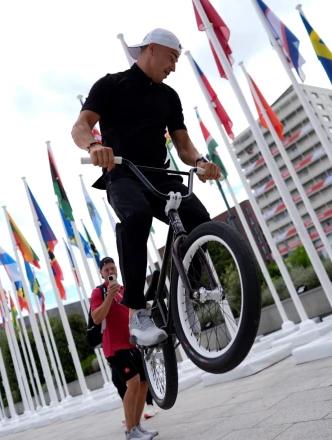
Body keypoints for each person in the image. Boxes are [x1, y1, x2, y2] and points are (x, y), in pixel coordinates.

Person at [72, 28, 222, 347]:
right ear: (152, 49)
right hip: (122, 172)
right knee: (137, 218)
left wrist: (199, 161)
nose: (174, 67)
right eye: (172, 58)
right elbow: (80, 126)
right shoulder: (111, 85)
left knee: (199, 217)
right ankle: (137, 312)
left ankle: (187, 293)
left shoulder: (169, 97)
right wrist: (93, 146)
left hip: (159, 175)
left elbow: (183, 145)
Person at [90, 257, 158, 440]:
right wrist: (109, 296)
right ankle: (130, 433)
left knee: (144, 382)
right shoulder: (99, 292)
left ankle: (136, 427)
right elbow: (96, 318)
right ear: (101, 273)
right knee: (134, 381)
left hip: (131, 343)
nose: (110, 272)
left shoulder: (124, 290)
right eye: (106, 270)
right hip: (114, 347)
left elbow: (135, 311)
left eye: (112, 268)